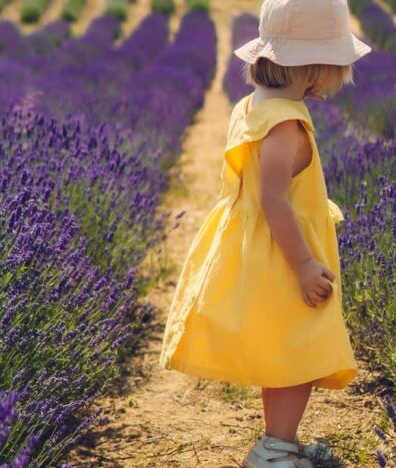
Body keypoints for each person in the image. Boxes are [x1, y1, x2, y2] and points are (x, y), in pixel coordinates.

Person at [158, 0, 371, 465]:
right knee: (300, 355)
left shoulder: (253, 106)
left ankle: (281, 441)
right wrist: (305, 265)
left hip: (263, 248)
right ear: (315, 69)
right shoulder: (285, 125)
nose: (340, 79)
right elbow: (274, 199)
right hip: (283, 257)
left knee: (282, 353)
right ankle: (273, 451)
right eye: (338, 67)